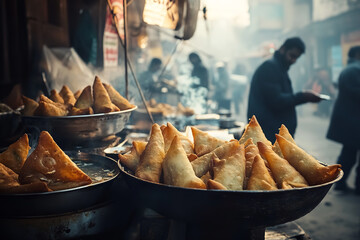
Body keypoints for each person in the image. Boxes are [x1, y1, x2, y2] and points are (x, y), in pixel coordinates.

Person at [247, 37, 322, 143]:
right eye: (292, 56)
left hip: (275, 135)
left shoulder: (278, 68)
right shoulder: (270, 68)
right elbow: (276, 100)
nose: (293, 60)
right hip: (269, 135)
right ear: (283, 49)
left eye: (296, 58)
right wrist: (303, 96)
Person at [327, 46, 360, 194]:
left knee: (349, 153)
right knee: (349, 153)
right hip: (353, 120)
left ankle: (340, 183)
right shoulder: (354, 70)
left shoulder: (349, 69)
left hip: (350, 120)